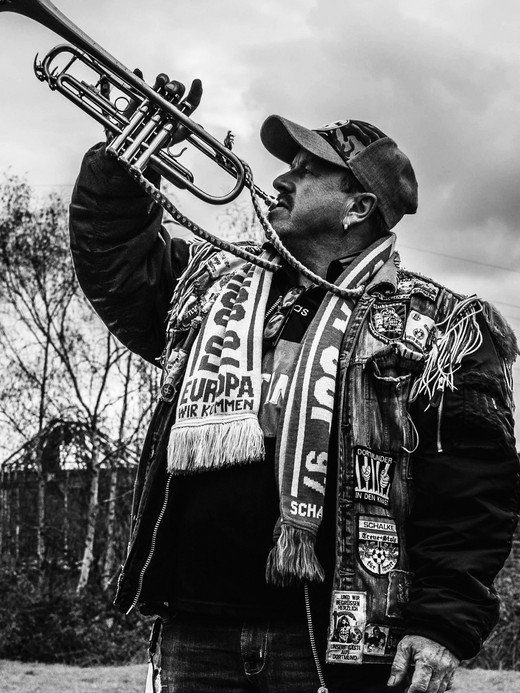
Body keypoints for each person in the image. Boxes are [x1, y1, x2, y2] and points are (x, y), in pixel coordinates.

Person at [68, 81, 519, 693]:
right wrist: (123, 162)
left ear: (357, 208)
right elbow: (120, 269)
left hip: (340, 645)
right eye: (287, 167)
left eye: (306, 172)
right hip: (193, 631)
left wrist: (442, 623)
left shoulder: (443, 326)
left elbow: (474, 492)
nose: (281, 180)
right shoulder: (213, 288)